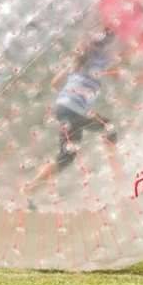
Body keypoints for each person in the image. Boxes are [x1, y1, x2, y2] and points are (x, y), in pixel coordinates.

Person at [24, 28, 119, 200]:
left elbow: (54, 83)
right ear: (107, 46)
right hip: (75, 109)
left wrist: (70, 92)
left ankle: (32, 187)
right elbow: (119, 73)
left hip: (63, 106)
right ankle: (118, 174)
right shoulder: (103, 60)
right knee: (109, 129)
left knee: (67, 156)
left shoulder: (79, 61)